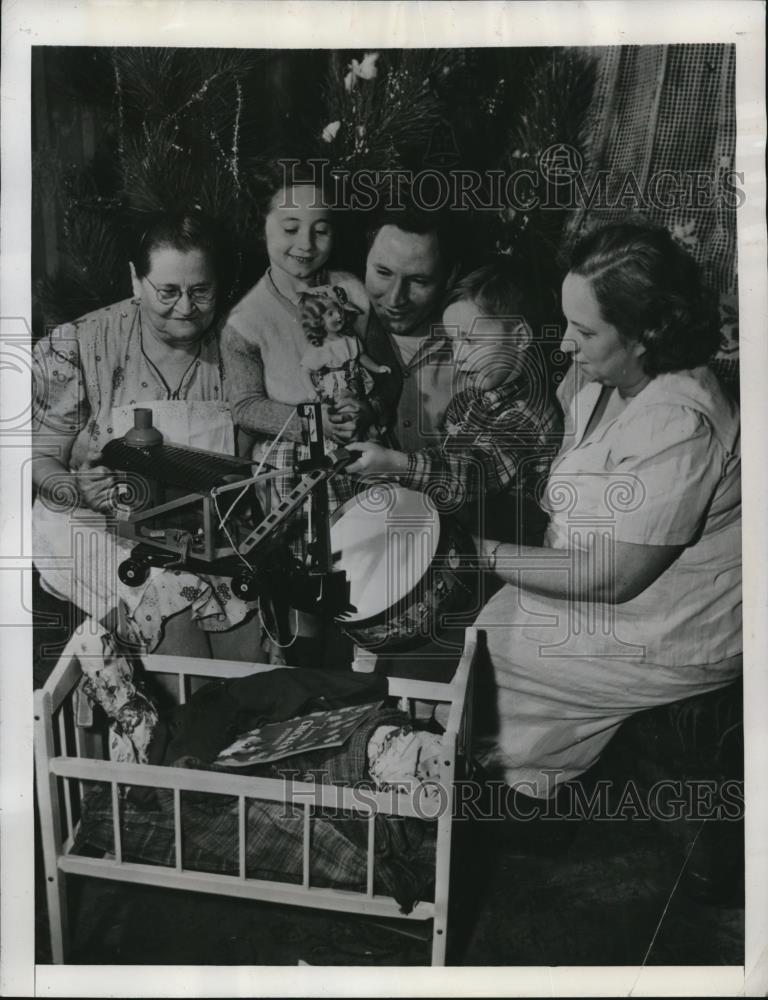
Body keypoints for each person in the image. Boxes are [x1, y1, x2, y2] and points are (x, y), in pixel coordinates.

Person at [471, 220, 742, 799]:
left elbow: (614, 579)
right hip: (603, 580)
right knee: (488, 636)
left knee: (496, 650)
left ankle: (514, 802)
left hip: (674, 622)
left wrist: (474, 553)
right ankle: (490, 782)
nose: (565, 343)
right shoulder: (605, 374)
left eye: (584, 330)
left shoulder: (678, 424)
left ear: (645, 333)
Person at [32, 212, 264, 660]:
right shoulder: (84, 342)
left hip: (200, 533)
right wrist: (75, 487)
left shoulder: (239, 346)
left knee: (244, 637)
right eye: (168, 292)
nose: (185, 308)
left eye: (201, 291)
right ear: (136, 281)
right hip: (99, 528)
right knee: (171, 613)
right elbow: (42, 460)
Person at [220, 163, 386, 664]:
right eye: (289, 229)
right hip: (291, 465)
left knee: (369, 560)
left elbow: (383, 373)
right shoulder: (246, 321)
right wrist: (313, 422)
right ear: (264, 228)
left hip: (355, 448)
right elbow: (246, 406)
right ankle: (306, 666)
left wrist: (366, 405)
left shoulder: (352, 291)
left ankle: (371, 656)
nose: (305, 244)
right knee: (309, 574)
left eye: (321, 228)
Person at [346, 258, 562, 546]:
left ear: (520, 337)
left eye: (470, 341)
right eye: (453, 342)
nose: (458, 357)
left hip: (501, 551)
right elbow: (446, 457)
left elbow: (473, 473)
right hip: (461, 530)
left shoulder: (527, 416)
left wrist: (397, 464)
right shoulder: (474, 396)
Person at [361, 206, 459, 451]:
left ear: (450, 276)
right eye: (383, 273)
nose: (395, 299)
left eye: (418, 281)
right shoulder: (335, 328)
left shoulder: (478, 344)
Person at [299, 284, 390, 406]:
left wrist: (377, 368)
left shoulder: (351, 338)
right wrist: (310, 390)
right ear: (317, 321)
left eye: (339, 310)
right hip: (335, 389)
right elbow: (305, 371)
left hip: (357, 382)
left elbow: (361, 356)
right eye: (330, 314)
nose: (338, 315)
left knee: (365, 405)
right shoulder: (320, 347)